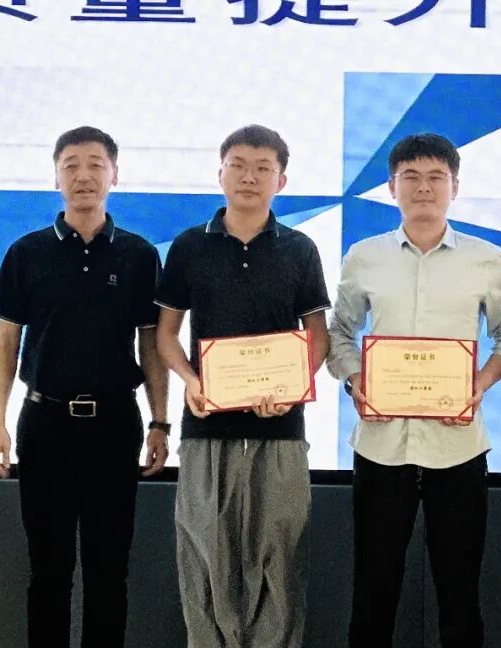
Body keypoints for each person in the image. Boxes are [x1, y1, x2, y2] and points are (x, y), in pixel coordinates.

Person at [327, 133, 501, 648]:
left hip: (458, 448)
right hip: (381, 446)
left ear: (454, 187)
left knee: (460, 599)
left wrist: (479, 382)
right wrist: (355, 379)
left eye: (436, 177)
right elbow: (338, 333)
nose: (423, 188)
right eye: (410, 177)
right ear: (391, 187)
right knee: (372, 597)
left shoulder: (486, 258)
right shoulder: (364, 256)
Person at [0, 126, 170, 648]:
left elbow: (151, 344)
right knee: (48, 569)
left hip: (114, 424)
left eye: (95, 164)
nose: (83, 175)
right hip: (44, 423)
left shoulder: (138, 255)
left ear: (115, 174)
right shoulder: (27, 252)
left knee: (109, 571)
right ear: (56, 177)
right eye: (71, 165)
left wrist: (160, 421)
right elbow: (5, 343)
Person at [154, 124, 331, 648]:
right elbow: (165, 335)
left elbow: (317, 336)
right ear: (221, 173)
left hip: (281, 430)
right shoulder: (189, 246)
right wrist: (190, 380)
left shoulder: (300, 249)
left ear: (281, 180)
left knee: (281, 558)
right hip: (206, 426)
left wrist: (294, 386)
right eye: (238, 165)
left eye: (262, 168)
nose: (249, 177)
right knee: (205, 555)